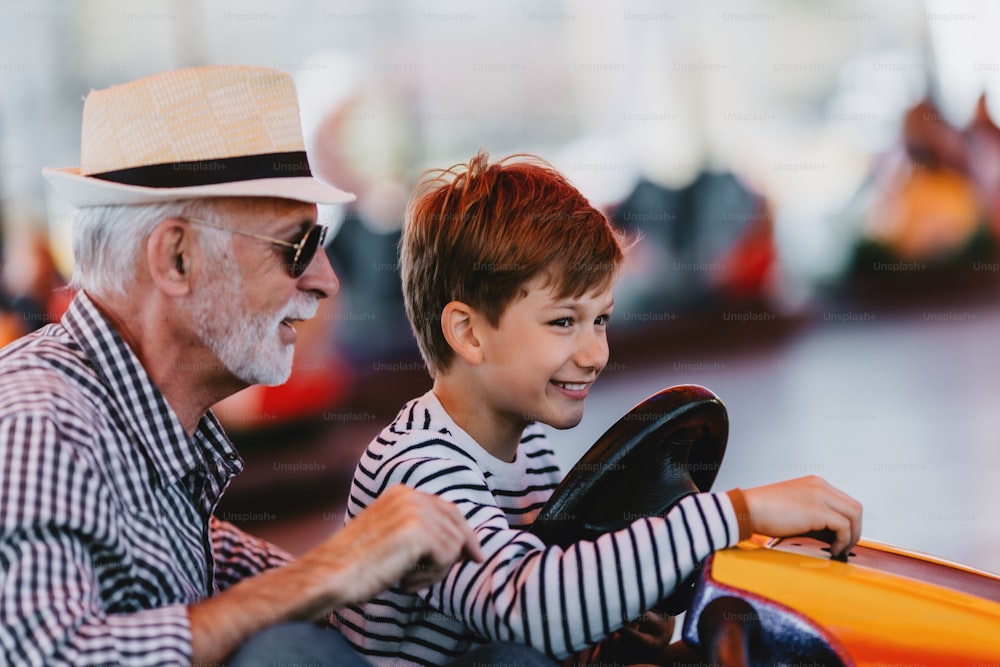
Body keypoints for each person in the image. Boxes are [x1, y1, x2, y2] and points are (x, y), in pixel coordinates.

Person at [0, 65, 556, 667]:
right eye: (295, 246)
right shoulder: (39, 421)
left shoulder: (145, 441)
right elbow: (52, 657)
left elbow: (316, 599)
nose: (325, 280)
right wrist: (333, 568)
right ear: (177, 258)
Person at [334, 151, 864, 666]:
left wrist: (611, 644)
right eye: (565, 322)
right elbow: (524, 608)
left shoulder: (530, 450)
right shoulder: (417, 464)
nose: (596, 355)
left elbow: (557, 609)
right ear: (469, 333)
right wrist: (736, 514)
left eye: (601, 320)